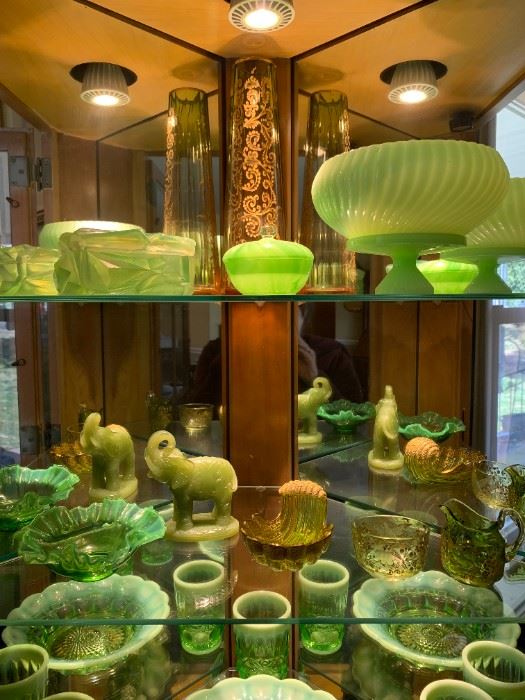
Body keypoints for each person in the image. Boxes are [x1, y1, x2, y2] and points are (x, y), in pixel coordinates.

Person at [183, 304, 364, 410]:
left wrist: (314, 376)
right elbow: (196, 414)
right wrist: (228, 360)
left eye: (282, 314)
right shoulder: (217, 351)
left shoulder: (332, 353)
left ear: (301, 318)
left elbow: (354, 418)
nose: (271, 322)